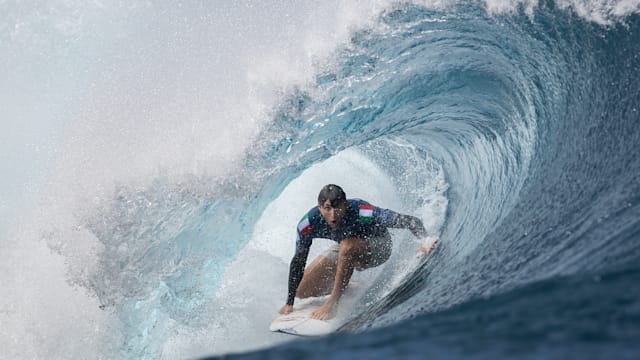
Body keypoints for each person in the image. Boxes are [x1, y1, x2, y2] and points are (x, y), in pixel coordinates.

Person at [278, 184, 439, 320]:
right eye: (327, 208)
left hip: (378, 247)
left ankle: (333, 303)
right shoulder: (308, 224)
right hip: (344, 248)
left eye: (337, 207)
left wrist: (424, 241)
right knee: (302, 290)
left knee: (348, 247)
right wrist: (289, 303)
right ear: (319, 207)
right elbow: (298, 260)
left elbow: (411, 221)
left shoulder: (362, 211)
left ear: (346, 205)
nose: (333, 214)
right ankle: (348, 286)